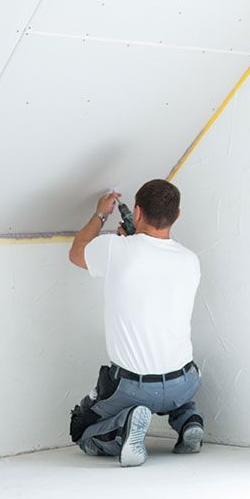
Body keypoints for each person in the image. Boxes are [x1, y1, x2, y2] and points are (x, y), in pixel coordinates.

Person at [67, 179, 203, 467]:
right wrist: (129, 241)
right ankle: (188, 420)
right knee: (175, 391)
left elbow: (77, 252)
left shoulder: (116, 250)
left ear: (137, 213)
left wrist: (100, 215)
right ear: (177, 215)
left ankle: (125, 425)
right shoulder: (190, 260)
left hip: (135, 389)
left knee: (81, 429)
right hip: (186, 381)